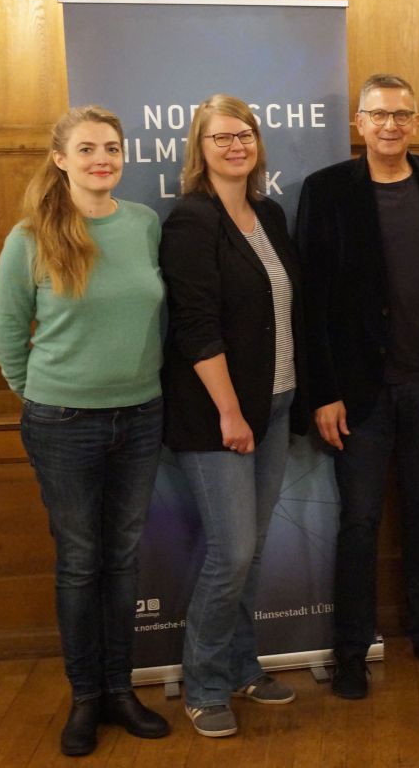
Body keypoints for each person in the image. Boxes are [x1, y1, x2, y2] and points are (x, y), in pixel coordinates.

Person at [0, 106, 170, 756]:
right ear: (61, 158)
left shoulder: (145, 224)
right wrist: (54, 396)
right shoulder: (30, 237)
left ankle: (121, 689)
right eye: (88, 147)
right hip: (62, 424)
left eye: (113, 147)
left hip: (143, 415)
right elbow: (9, 340)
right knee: (79, 562)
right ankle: (85, 697)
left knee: (122, 560)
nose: (103, 157)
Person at [296, 73, 419, 700]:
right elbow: (309, 301)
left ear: (415, 123)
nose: (390, 125)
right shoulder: (327, 191)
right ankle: (351, 649)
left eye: (402, 114)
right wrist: (323, 391)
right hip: (358, 392)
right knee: (361, 522)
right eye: (378, 115)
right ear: (359, 123)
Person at [160, 94, 307, 738]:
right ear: (201, 147)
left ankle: (244, 666)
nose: (235, 145)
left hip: (277, 402)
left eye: (243, 134)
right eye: (221, 137)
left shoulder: (270, 214)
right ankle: (204, 684)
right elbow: (196, 327)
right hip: (221, 416)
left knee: (250, 552)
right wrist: (228, 411)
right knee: (233, 550)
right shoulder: (191, 221)